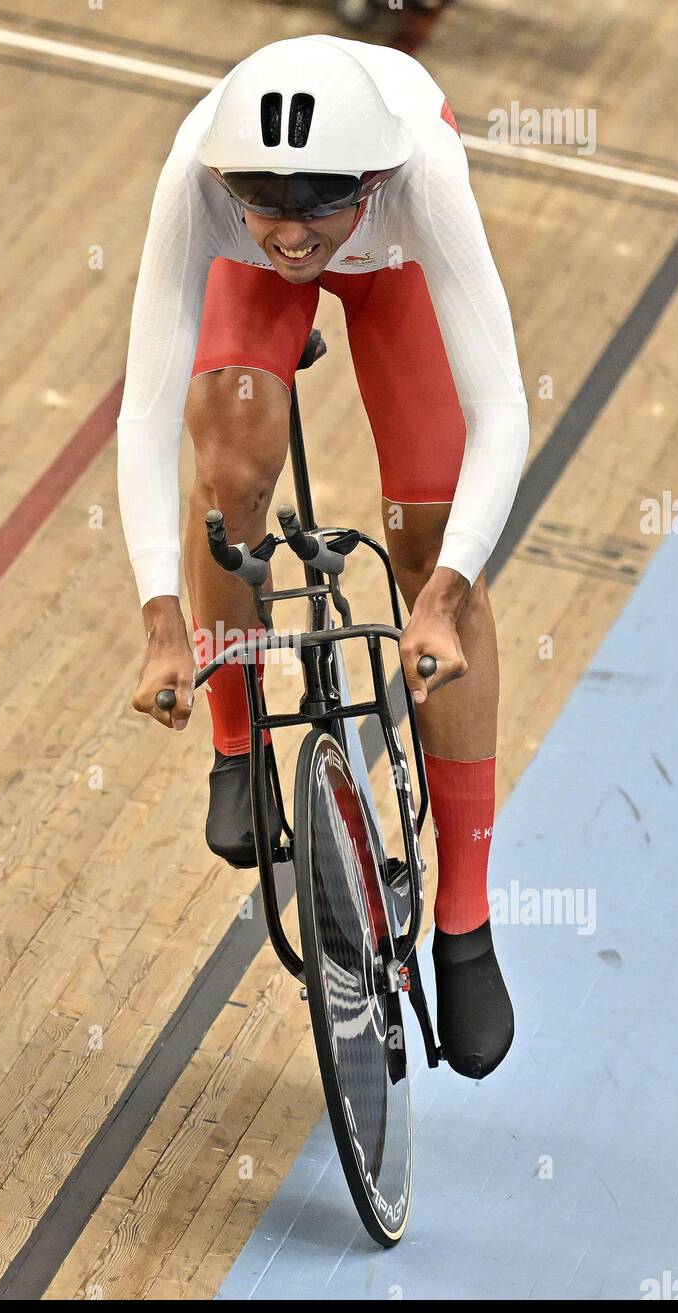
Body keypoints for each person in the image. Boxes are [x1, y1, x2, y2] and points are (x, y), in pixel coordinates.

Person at [117, 35, 529, 1079]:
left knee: (433, 544)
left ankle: (466, 922)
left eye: (315, 210)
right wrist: (162, 618)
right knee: (232, 466)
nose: (294, 235)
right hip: (242, 274)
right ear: (229, 182)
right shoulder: (199, 175)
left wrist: (440, 594)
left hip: (393, 273)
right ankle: (233, 741)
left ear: (370, 182)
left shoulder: (420, 174)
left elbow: (500, 412)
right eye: (267, 205)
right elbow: (145, 409)